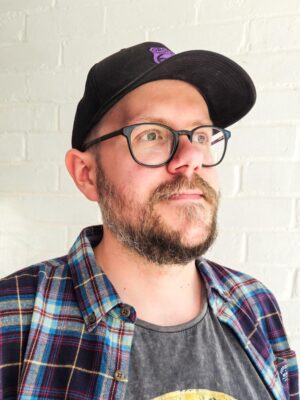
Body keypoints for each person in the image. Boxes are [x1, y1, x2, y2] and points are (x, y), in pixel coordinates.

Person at [0, 42, 298, 400]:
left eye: (201, 135)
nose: (191, 158)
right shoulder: (12, 319)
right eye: (152, 135)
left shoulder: (254, 303)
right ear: (86, 174)